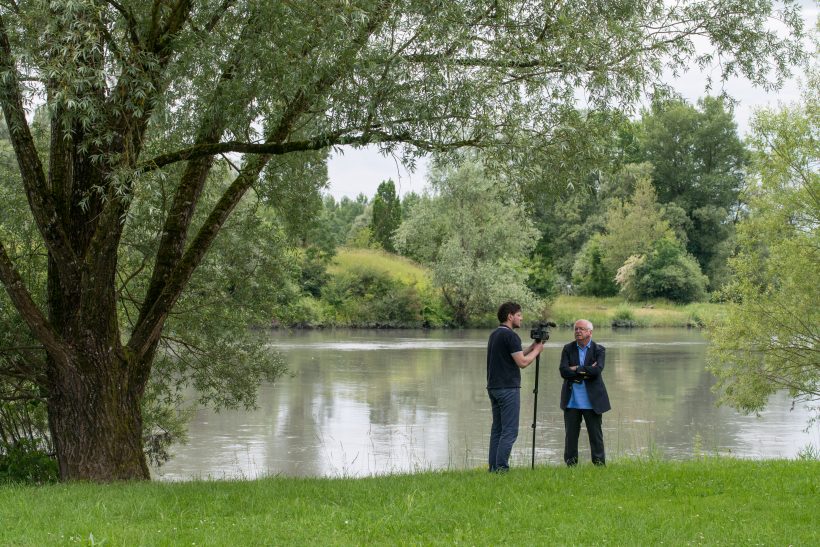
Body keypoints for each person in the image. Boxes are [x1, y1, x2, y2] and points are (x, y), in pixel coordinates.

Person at [486, 301, 544, 472]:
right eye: (518, 315)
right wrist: (538, 350)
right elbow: (522, 362)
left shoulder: (495, 334)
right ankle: (502, 469)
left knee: (498, 429)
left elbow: (515, 355)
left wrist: (532, 347)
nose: (521, 318)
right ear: (510, 316)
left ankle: (493, 468)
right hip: (508, 389)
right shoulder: (511, 336)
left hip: (494, 387)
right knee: (510, 431)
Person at [559, 319, 611, 466]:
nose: (578, 332)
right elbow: (563, 371)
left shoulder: (599, 349)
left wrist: (575, 368)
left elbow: (597, 370)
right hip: (571, 401)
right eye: (576, 329)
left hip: (593, 401)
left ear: (590, 332)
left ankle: (599, 465)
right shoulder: (568, 348)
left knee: (596, 436)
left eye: (581, 329)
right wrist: (585, 370)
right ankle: (571, 465)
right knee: (571, 437)